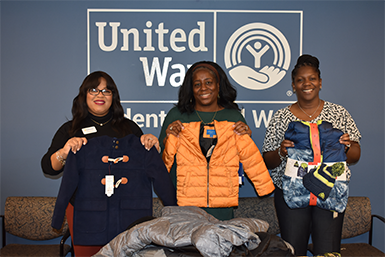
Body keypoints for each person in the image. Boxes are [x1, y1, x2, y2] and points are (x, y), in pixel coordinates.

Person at [41, 71, 163, 256]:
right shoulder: (70, 129)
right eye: (94, 90)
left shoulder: (130, 128)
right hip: (85, 210)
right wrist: (64, 152)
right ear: (84, 95)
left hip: (125, 208)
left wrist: (152, 146)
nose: (100, 95)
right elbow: (48, 167)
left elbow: (147, 163)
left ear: (113, 96)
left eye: (106, 91)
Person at [262, 54, 361, 256]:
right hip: (291, 193)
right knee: (292, 250)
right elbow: (268, 161)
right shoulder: (281, 116)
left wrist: (347, 146)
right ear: (294, 85)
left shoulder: (339, 113)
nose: (307, 84)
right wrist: (281, 152)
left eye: (312, 79)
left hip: (331, 191)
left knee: (327, 251)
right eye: (300, 80)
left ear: (320, 82)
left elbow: (355, 156)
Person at [159, 61, 275, 220]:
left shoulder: (233, 117)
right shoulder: (177, 115)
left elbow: (248, 156)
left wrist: (264, 185)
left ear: (218, 85)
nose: (203, 88)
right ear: (191, 89)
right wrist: (169, 138)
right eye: (197, 84)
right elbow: (160, 162)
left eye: (208, 83)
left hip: (221, 200)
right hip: (183, 202)